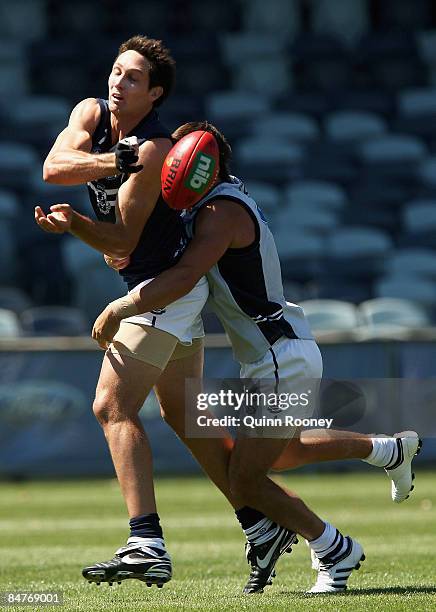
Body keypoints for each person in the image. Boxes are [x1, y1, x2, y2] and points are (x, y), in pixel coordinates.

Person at [93, 121, 421, 594]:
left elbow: (186, 274)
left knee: (245, 479)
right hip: (277, 354)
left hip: (279, 360)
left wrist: (122, 306)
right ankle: (387, 450)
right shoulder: (221, 199)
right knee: (284, 453)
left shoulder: (220, 213)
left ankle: (334, 547)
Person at [35, 35, 212, 588]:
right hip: (153, 286)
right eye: (116, 71)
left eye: (133, 78)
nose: (117, 82)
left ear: (154, 93)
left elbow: (125, 238)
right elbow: (53, 168)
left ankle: (146, 543)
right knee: (190, 421)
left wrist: (77, 225)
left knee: (111, 405)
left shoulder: (157, 148)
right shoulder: (92, 115)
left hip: (162, 289)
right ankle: (269, 521)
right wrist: (110, 160)